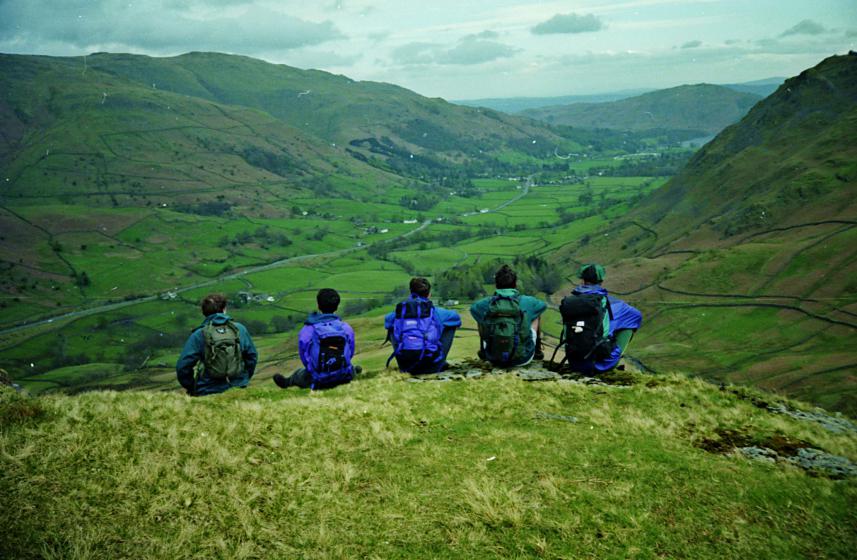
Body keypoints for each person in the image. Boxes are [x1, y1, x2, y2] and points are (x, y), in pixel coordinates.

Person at [557, 263, 643, 374]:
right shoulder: (614, 304)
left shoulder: (571, 302)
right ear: (601, 281)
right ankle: (613, 358)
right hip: (599, 365)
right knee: (630, 322)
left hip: (574, 362)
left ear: (582, 280)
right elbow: (637, 316)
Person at [273, 288, 359, 390]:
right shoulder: (346, 328)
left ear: (318, 305)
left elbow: (304, 356)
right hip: (343, 376)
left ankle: (286, 382)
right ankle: (354, 371)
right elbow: (350, 352)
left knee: (299, 374)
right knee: (352, 368)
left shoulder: (308, 330)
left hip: (318, 380)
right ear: (337, 306)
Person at [176, 293, 258, 396]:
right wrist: (243, 379)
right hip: (238, 387)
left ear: (204, 312)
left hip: (207, 390)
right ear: (224, 309)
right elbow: (252, 357)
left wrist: (191, 386)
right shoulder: (239, 329)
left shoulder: (199, 334)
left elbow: (183, 365)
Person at [470, 264, 547, 367]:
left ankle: (483, 351)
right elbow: (543, 306)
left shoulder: (485, 304)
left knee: (482, 317)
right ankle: (537, 351)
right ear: (515, 284)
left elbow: (473, 309)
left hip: (493, 358)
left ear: (496, 284)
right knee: (536, 315)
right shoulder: (528, 301)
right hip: (522, 358)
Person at [385, 277, 461, 374]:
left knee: (392, 325)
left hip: (405, 366)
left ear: (411, 292)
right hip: (432, 367)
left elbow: (387, 322)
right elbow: (456, 318)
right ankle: (440, 360)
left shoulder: (400, 313)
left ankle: (403, 359)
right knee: (450, 325)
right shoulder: (436, 312)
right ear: (429, 294)